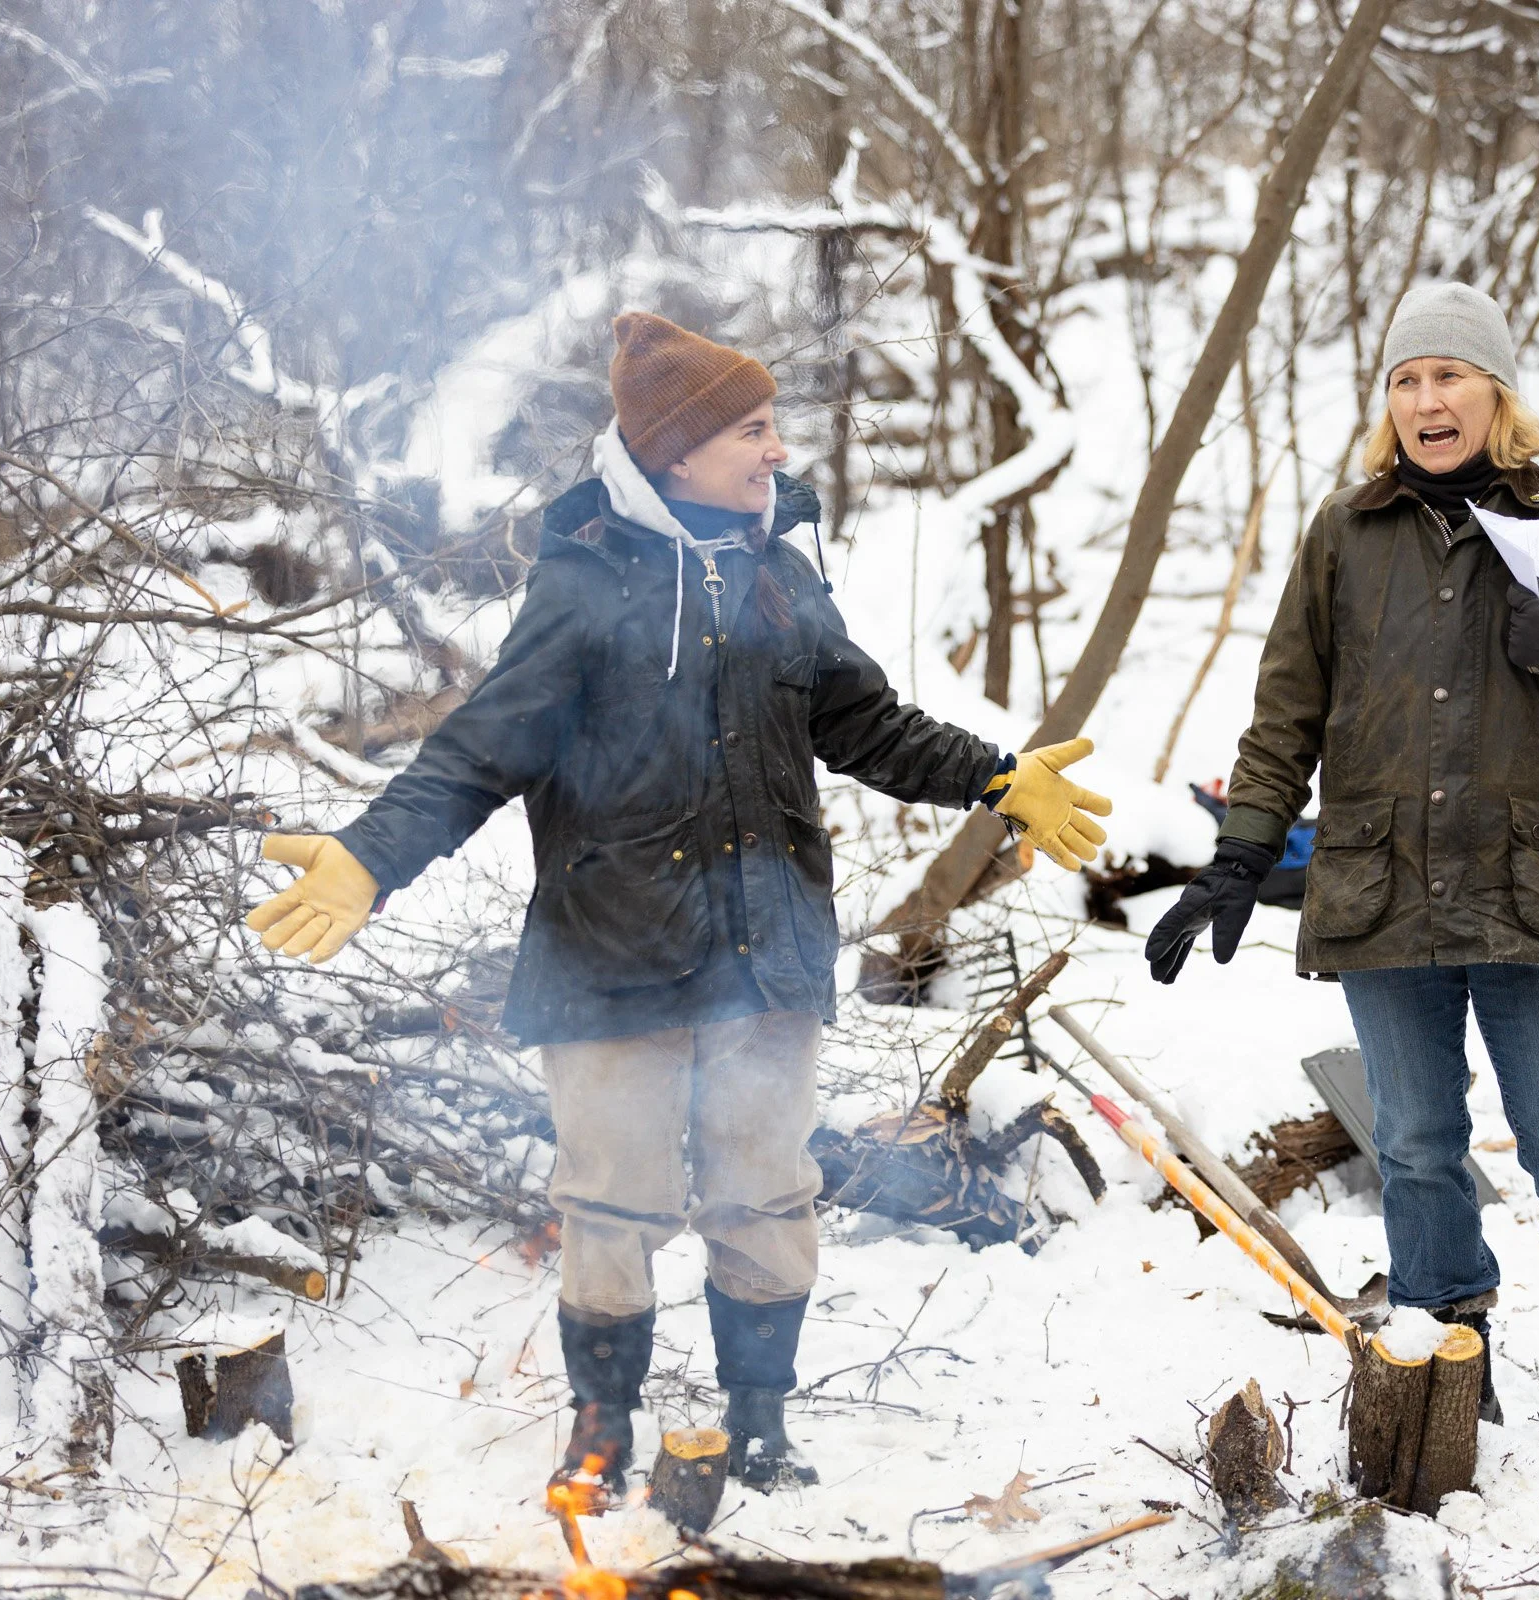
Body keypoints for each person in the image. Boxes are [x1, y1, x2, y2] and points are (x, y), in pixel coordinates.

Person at [245, 312, 1111, 1499]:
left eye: (771, 426)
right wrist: (369, 855)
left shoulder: (780, 572)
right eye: (752, 429)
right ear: (677, 452)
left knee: (768, 1192)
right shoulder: (584, 586)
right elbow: (480, 750)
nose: (775, 450)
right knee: (612, 1205)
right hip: (612, 956)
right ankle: (601, 1429)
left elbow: (861, 721)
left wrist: (994, 773)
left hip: (764, 954)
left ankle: (759, 1424)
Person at [1145, 282, 1539, 1486]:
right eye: (1404, 379)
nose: (1426, 398)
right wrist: (1243, 852)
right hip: (1383, 890)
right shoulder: (1346, 533)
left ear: (1497, 392)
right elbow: (1287, 708)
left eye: (1449, 375)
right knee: (1416, 1142)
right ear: (1386, 404)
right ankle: (1455, 1368)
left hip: (1530, 890)